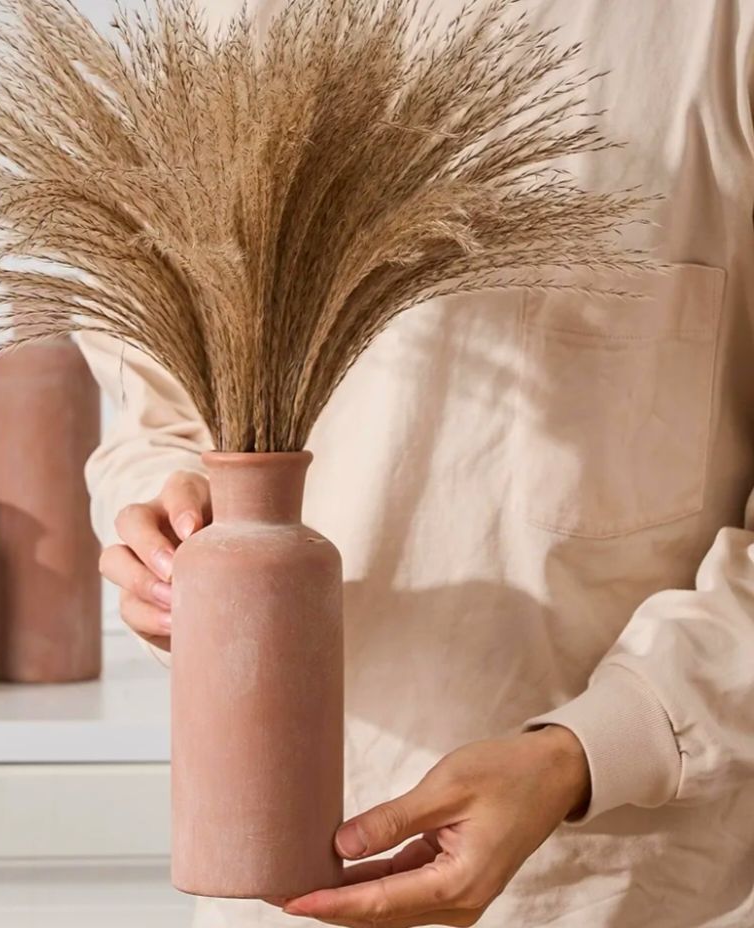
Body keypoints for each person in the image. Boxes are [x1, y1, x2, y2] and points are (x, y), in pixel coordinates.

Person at [80, 1, 754, 925]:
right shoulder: (218, 17)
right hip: (267, 881)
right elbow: (155, 401)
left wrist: (588, 750)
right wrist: (164, 532)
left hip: (611, 879)